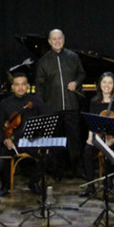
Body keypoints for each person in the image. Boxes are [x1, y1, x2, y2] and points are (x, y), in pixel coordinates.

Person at [33, 28, 86, 175]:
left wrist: (76, 82)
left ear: (64, 39)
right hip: (52, 107)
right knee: (55, 141)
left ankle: (78, 169)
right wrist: (41, 109)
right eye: (54, 39)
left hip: (71, 106)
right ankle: (56, 171)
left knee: (74, 140)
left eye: (59, 38)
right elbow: (40, 87)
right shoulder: (43, 61)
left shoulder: (73, 57)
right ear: (49, 42)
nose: (57, 41)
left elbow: (82, 74)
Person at [0, 72, 49, 196]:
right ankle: (5, 185)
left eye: (23, 84)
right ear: (12, 87)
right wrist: (5, 139)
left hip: (32, 141)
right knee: (3, 154)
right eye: (17, 85)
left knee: (48, 153)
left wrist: (44, 140)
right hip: (13, 141)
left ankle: (34, 182)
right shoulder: (5, 103)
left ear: (28, 86)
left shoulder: (36, 101)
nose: (20, 87)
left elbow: (47, 119)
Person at [80, 71, 114, 197]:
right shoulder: (95, 101)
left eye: (110, 83)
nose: (107, 85)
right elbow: (92, 123)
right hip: (99, 137)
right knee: (87, 150)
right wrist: (90, 138)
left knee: (109, 150)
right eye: (104, 82)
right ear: (100, 84)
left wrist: (112, 140)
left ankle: (108, 185)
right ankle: (90, 186)